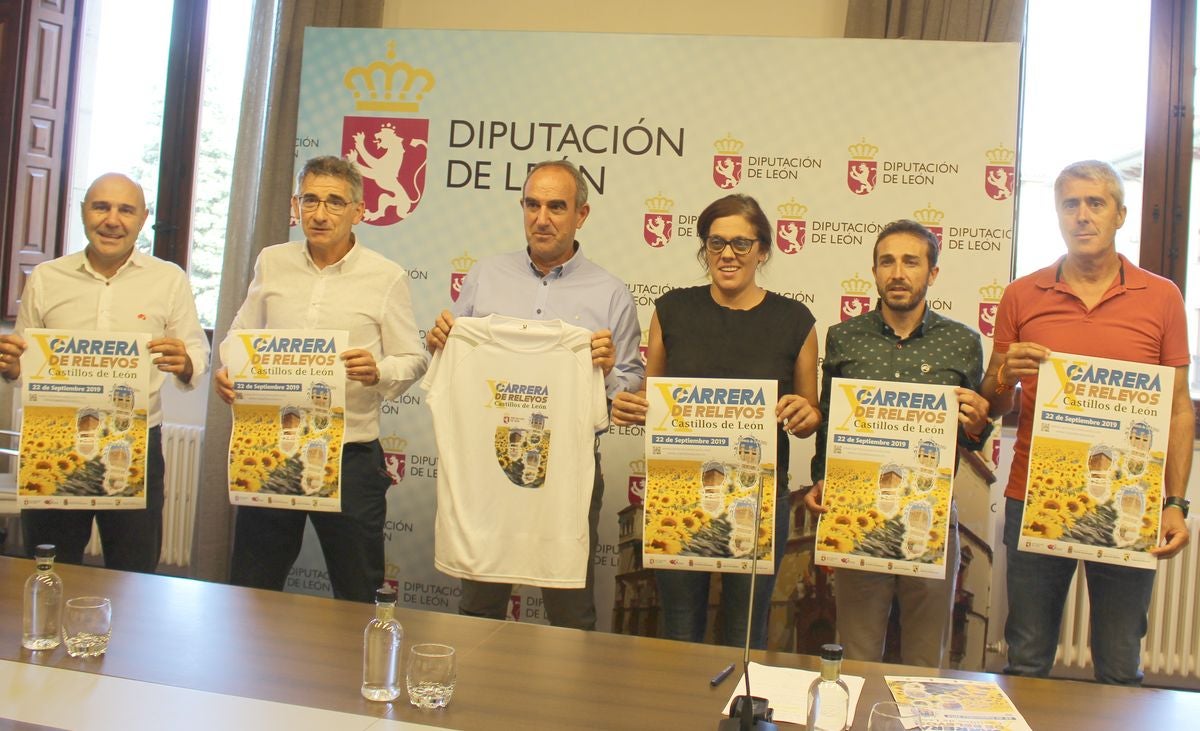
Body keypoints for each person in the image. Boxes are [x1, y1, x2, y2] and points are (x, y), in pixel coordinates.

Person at [981, 160, 1193, 685]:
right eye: (1070, 204)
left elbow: (1178, 407)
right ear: (1058, 214)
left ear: (1120, 214)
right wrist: (1005, 374)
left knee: (1120, 663)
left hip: (1130, 499)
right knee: (1027, 657)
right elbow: (994, 403)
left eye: (1096, 203)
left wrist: (1175, 502)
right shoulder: (1022, 294)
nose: (1082, 215)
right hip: (1035, 495)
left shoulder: (1162, 296)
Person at [425, 159, 642, 630]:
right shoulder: (485, 275)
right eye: (532, 205)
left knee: (570, 612)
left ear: (581, 214)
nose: (542, 218)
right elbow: (452, 365)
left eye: (556, 207)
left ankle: (570, 682)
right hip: (486, 468)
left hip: (569, 467)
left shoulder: (610, 293)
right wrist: (440, 342)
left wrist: (607, 371)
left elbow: (629, 384)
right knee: (478, 608)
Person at [610, 193, 820, 648]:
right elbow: (652, 398)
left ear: (763, 251)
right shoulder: (671, 310)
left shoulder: (795, 320)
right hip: (679, 493)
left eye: (742, 243)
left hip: (759, 497)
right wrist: (631, 406)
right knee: (679, 631)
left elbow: (809, 414)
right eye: (716, 242)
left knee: (745, 633)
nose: (728, 254)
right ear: (704, 247)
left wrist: (807, 414)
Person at [215, 155, 427, 602]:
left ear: (359, 211)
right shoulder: (272, 262)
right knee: (253, 587)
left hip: (350, 453)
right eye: (309, 200)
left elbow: (413, 359)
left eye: (334, 202)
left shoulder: (386, 276)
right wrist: (231, 371)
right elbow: (238, 335)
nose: (320, 213)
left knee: (357, 590)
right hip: (273, 447)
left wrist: (379, 371)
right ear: (296, 205)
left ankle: (360, 653)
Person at [0, 173, 209, 573]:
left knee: (134, 570)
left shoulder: (169, 279)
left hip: (135, 442)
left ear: (143, 218)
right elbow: (25, 363)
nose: (112, 220)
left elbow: (197, 352)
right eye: (101, 207)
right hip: (54, 442)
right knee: (48, 566)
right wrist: (11, 368)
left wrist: (185, 363)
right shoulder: (46, 277)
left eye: (125, 210)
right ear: (84, 212)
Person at [805, 219, 991, 667]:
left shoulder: (963, 342)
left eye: (911, 262)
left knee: (925, 661)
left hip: (931, 516)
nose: (898, 273)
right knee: (856, 654)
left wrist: (980, 422)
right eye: (887, 262)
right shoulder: (844, 337)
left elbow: (972, 433)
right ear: (874, 272)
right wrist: (821, 478)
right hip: (856, 514)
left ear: (932, 273)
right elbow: (830, 422)